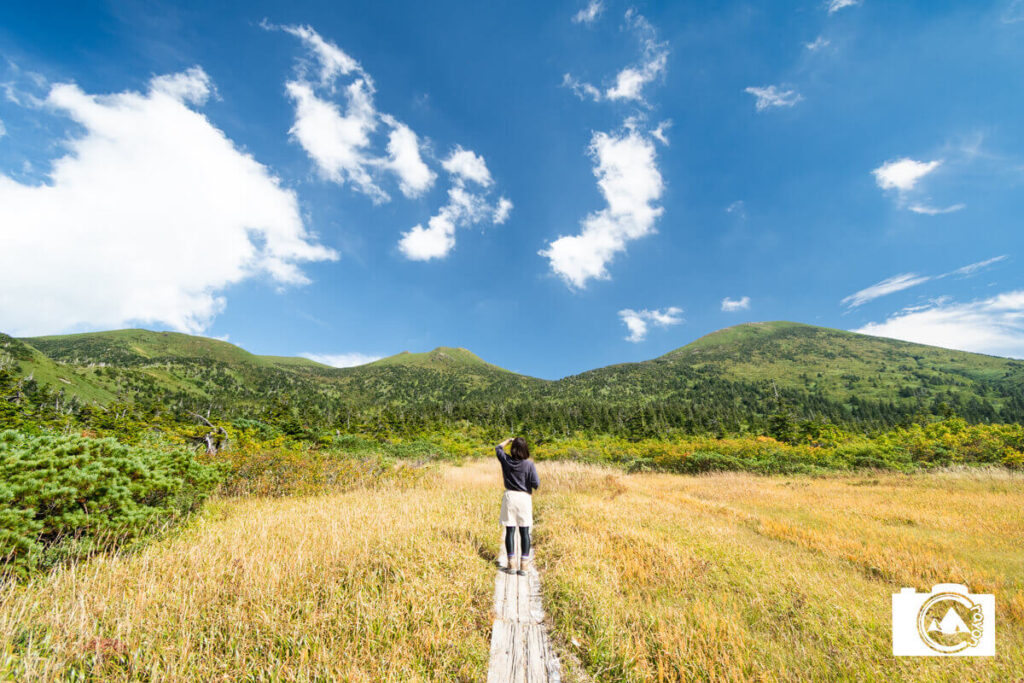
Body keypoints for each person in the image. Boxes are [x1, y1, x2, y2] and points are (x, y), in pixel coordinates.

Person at [495, 436, 540, 576]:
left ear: (513, 448)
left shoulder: (506, 460)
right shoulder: (529, 465)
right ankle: (524, 566)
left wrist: (508, 440)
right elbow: (536, 484)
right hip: (524, 498)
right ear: (525, 449)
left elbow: (497, 448)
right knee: (524, 532)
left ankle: (511, 564)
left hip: (510, 497)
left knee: (510, 531)